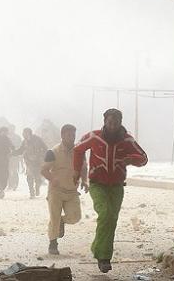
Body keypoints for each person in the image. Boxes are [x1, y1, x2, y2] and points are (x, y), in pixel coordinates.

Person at [73, 108, 147, 273]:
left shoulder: (127, 140)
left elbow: (143, 158)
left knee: (111, 219)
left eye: (116, 123)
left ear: (120, 123)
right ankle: (104, 258)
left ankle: (97, 248)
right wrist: (76, 172)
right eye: (110, 122)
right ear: (105, 122)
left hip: (117, 186)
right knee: (105, 214)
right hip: (97, 184)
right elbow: (77, 150)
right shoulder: (94, 136)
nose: (113, 126)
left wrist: (131, 160)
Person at [41, 124, 88, 255]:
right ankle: (53, 243)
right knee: (54, 217)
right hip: (56, 191)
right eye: (69, 135)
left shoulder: (79, 152)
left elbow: (84, 168)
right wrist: (52, 179)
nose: (72, 138)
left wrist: (85, 181)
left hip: (72, 191)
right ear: (62, 136)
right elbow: (43, 170)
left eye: (73, 135)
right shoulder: (52, 152)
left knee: (75, 217)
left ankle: (63, 221)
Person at [13, 128, 48, 199]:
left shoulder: (38, 139)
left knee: (38, 177)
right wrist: (13, 153)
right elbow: (21, 150)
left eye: (25, 133)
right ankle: (32, 192)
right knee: (29, 176)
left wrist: (42, 155)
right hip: (29, 162)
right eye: (23, 133)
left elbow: (45, 148)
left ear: (29, 133)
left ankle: (37, 187)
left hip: (38, 161)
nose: (24, 135)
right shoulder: (24, 142)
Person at [6, 124, 22, 191]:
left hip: (15, 156)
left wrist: (20, 156)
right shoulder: (6, 137)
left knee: (14, 170)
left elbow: (20, 147)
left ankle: (15, 184)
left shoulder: (17, 137)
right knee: (9, 171)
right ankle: (10, 184)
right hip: (8, 156)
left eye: (12, 129)